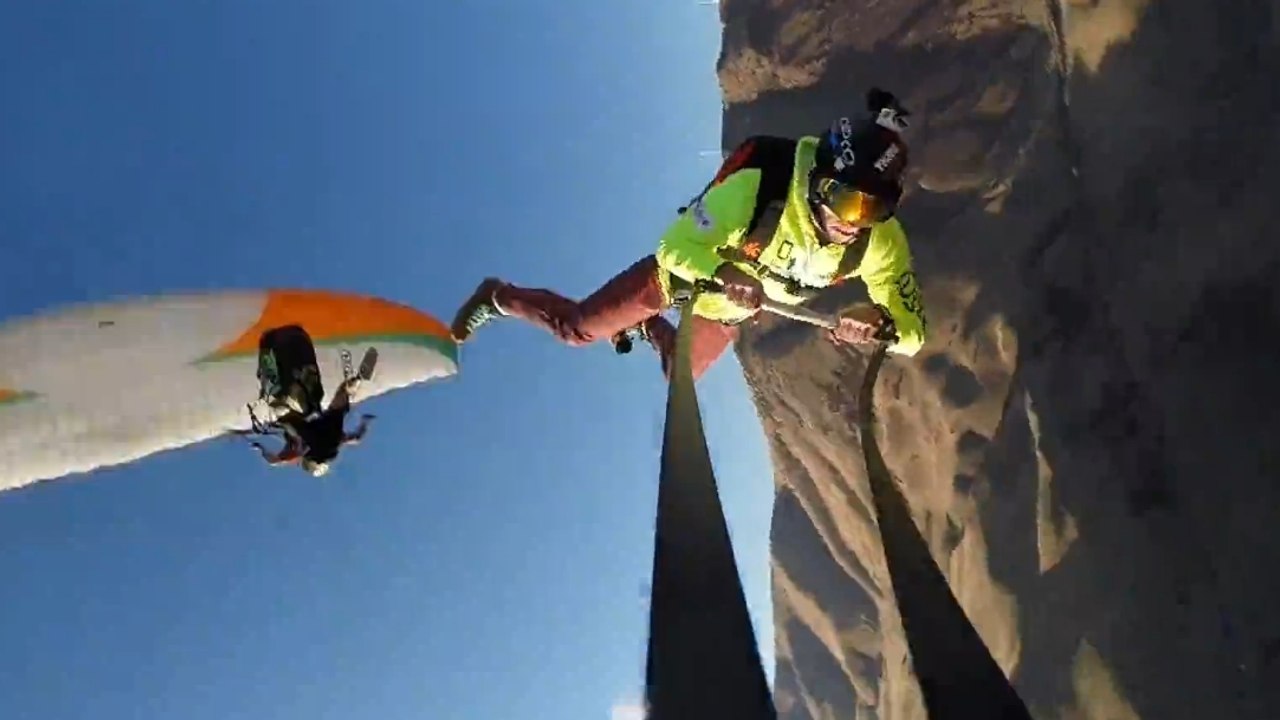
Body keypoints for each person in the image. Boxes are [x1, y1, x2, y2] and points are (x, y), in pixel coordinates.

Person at [450, 87, 927, 381]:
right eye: (847, 201)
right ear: (818, 181)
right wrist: (721, 271)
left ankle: (649, 328)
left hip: (727, 310)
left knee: (678, 374)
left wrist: (879, 323)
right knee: (578, 331)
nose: (855, 221)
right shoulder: (756, 190)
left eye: (877, 207)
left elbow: (913, 336)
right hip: (676, 278)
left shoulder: (879, 242)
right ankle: (498, 297)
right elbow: (674, 247)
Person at [249, 376, 377, 477]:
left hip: (325, 426)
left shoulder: (330, 447)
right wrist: (260, 449)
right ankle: (280, 400)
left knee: (340, 398)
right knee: (286, 417)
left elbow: (355, 438)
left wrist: (364, 423)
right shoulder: (302, 451)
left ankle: (351, 386)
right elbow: (274, 461)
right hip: (313, 427)